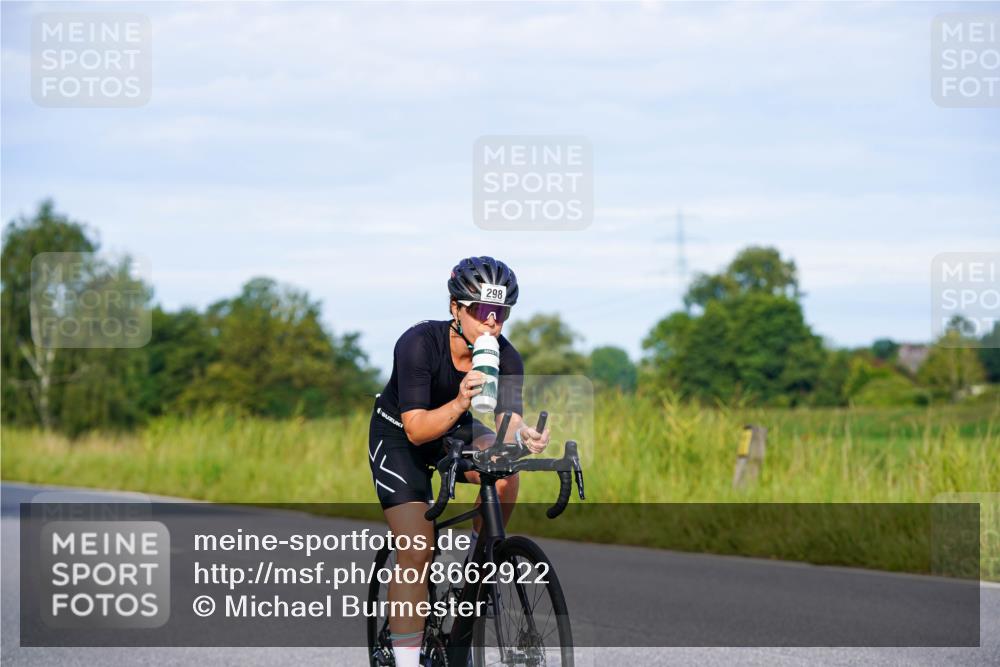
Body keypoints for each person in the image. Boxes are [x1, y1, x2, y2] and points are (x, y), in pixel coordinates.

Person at [368, 256, 550, 667]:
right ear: (456, 308)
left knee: (505, 470)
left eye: (501, 313)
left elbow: (507, 419)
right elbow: (416, 429)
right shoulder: (418, 343)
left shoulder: (506, 356)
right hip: (401, 434)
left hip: (453, 426)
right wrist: (461, 400)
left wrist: (522, 435)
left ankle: (480, 568)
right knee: (417, 549)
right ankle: (407, 659)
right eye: (482, 312)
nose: (492, 323)